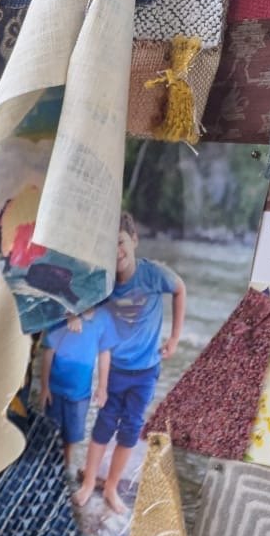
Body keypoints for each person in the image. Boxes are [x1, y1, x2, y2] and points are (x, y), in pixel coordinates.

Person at [74, 214, 186, 515]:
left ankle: (110, 486)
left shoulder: (153, 275)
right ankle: (87, 484)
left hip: (146, 372)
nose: (116, 251)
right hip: (115, 369)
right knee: (103, 425)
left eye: (120, 242)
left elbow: (179, 289)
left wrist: (175, 338)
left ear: (134, 240)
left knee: (131, 429)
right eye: (108, 247)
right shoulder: (105, 284)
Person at [36, 309, 112, 468]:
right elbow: (49, 352)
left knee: (71, 438)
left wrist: (102, 387)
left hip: (80, 393)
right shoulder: (61, 317)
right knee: (50, 434)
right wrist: (44, 387)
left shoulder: (103, 318)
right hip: (55, 389)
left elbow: (105, 352)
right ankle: (49, 468)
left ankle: (66, 468)